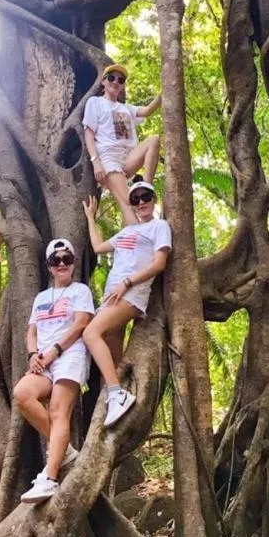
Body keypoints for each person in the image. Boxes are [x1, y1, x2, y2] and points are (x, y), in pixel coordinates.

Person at [82, 178, 172, 427]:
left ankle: (117, 394)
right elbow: (99, 247)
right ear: (131, 205)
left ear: (153, 200)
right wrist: (91, 217)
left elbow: (159, 263)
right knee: (111, 362)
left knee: (91, 333)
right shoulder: (126, 232)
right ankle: (111, 407)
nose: (141, 202)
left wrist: (128, 282)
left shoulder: (159, 227)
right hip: (112, 297)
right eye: (136, 199)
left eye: (146, 197)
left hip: (130, 296)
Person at [13, 238, 95, 502]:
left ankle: (49, 476)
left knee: (59, 411)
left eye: (66, 259)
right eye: (55, 260)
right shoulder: (41, 298)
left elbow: (81, 324)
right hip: (42, 360)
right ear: (49, 266)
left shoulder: (80, 291)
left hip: (68, 356)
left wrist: (55, 351)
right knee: (22, 393)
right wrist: (32, 355)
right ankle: (66, 450)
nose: (61, 264)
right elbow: (32, 332)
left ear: (73, 263)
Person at [83, 64, 161, 225]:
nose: (116, 81)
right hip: (109, 158)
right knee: (128, 202)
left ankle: (146, 186)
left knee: (153, 140)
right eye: (111, 78)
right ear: (103, 82)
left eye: (121, 79)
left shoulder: (126, 108)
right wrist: (96, 162)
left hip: (128, 156)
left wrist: (164, 92)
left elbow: (147, 111)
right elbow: (89, 134)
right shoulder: (95, 102)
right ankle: (135, 243)